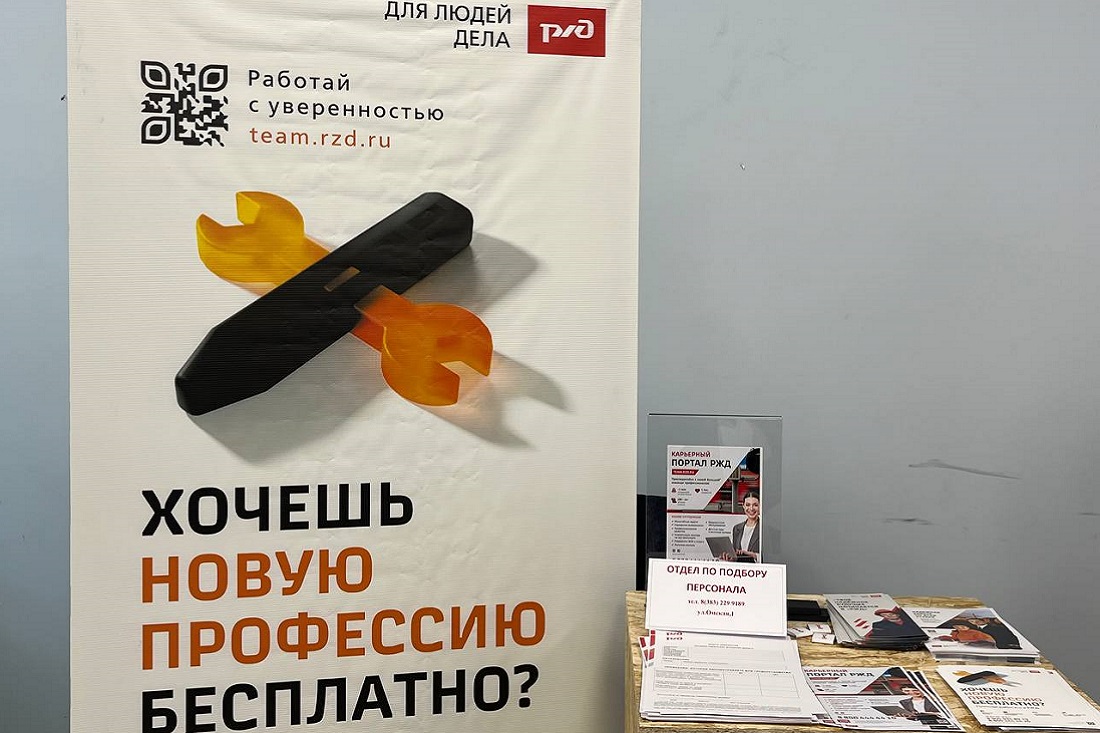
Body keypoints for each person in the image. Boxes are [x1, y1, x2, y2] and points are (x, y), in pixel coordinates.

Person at [730, 491, 760, 562]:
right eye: (748, 505)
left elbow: (772, 556)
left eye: (755, 505)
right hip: (740, 568)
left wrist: (754, 555)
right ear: (743, 506)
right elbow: (735, 555)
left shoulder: (764, 529)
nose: (751, 508)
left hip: (756, 568)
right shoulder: (736, 528)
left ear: (760, 506)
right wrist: (730, 558)